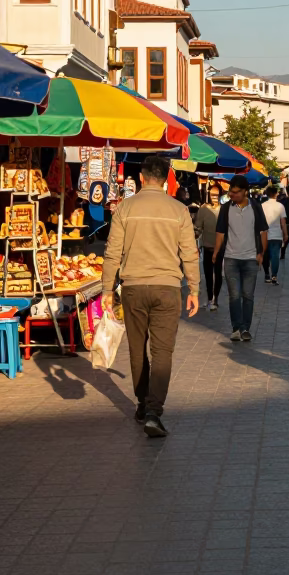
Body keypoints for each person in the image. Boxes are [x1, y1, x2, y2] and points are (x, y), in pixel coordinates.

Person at [101, 155, 199, 437]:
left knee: (137, 348)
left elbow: (112, 253)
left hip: (133, 288)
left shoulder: (125, 208)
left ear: (142, 178)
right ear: (167, 177)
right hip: (167, 288)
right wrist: (194, 289)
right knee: (162, 352)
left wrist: (107, 289)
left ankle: (143, 403)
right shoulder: (179, 210)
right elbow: (189, 254)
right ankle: (154, 411)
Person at [213, 175, 268, 341]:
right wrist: (216, 253)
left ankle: (246, 328)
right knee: (234, 295)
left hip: (251, 258)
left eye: (236, 192)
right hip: (231, 258)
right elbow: (220, 232)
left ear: (245, 192)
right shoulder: (225, 209)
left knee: (248, 295)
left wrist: (261, 254)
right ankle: (236, 327)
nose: (232, 195)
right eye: (231, 192)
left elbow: (263, 232)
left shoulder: (256, 207)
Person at [197, 184, 224, 311]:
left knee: (218, 273)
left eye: (217, 194)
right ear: (208, 194)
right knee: (208, 274)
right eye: (212, 194)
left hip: (220, 247)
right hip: (207, 247)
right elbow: (198, 227)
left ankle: (216, 298)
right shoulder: (203, 209)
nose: (215, 197)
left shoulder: (224, 210)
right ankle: (209, 298)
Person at [262, 185, 288, 285]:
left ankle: (266, 274)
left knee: (265, 255)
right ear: (276, 194)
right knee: (275, 256)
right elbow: (283, 222)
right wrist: (285, 234)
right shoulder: (280, 206)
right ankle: (274, 276)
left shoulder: (263, 206)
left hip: (265, 234)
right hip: (277, 235)